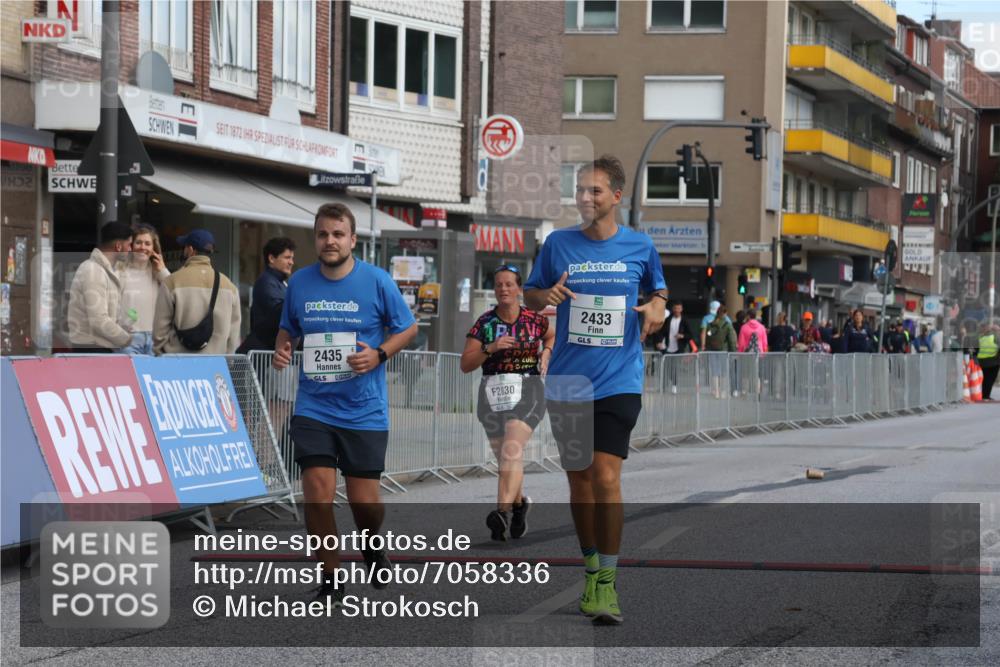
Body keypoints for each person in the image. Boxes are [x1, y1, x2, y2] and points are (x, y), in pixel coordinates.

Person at [523, 155, 666, 626]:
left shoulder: (640, 247)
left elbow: (659, 291)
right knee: (580, 480)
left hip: (618, 379)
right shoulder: (558, 244)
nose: (585, 198)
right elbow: (532, 294)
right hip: (568, 379)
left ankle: (607, 581)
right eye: (581, 190)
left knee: (605, 476)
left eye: (595, 191)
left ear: (617, 197)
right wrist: (547, 298)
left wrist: (657, 308)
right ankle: (589, 569)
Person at [272, 203, 417, 606]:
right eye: (322, 234)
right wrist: (283, 349)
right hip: (313, 406)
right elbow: (289, 330)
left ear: (352, 240)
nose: (329, 241)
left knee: (364, 503)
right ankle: (331, 577)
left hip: (363, 409)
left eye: (338, 234)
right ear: (314, 239)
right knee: (317, 492)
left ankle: (371, 542)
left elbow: (407, 327)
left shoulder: (377, 281)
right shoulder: (299, 283)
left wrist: (380, 355)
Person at [461, 264, 554, 541]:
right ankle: (519, 504)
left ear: (519, 289)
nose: (503, 289)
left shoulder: (534, 320)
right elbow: (466, 364)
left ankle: (500, 513)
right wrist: (490, 348)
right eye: (499, 284)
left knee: (512, 451)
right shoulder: (484, 323)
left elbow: (551, 334)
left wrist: (546, 352)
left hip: (528, 390)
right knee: (506, 458)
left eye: (509, 284)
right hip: (492, 394)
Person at [153, 229, 242, 355]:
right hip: (215, 365)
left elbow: (159, 331)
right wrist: (227, 358)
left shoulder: (172, 282)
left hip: (177, 363)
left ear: (190, 250)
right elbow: (234, 335)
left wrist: (162, 353)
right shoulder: (230, 286)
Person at [66, 222, 134, 353]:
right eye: (129, 244)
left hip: (96, 347)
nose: (131, 249)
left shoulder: (104, 271)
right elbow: (98, 320)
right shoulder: (93, 271)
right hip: (91, 349)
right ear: (118, 246)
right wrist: (127, 339)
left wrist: (120, 327)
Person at [117, 224, 169, 355]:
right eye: (138, 242)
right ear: (131, 245)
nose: (143, 247)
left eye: (147, 243)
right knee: (128, 375)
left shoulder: (158, 271)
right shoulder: (120, 269)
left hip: (154, 339)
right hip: (128, 338)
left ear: (154, 248)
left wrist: (162, 270)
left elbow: (173, 293)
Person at [237, 237, 295, 353]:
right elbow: (279, 314)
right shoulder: (267, 282)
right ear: (272, 258)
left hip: (265, 353)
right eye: (287, 257)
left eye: (292, 258)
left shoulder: (279, 283)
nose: (291, 262)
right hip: (260, 353)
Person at [703, 304, 736, 399]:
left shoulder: (710, 324)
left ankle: (716, 391)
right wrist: (733, 351)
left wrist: (707, 348)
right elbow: (731, 340)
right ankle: (723, 391)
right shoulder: (727, 325)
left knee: (714, 371)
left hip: (712, 351)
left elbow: (708, 336)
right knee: (724, 371)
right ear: (725, 313)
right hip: (723, 351)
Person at [976, 322, 999, 401]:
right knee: (990, 379)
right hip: (993, 361)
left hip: (981, 361)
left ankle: (982, 395)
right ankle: (986, 396)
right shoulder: (995, 336)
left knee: (983, 379)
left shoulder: (979, 337)